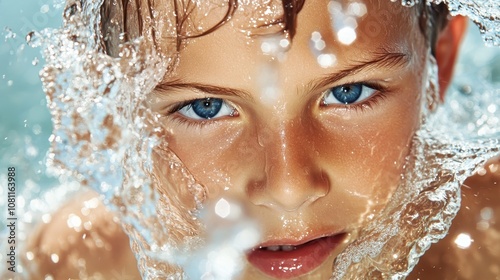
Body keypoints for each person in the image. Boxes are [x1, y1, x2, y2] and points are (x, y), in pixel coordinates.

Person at [22, 0, 500, 279]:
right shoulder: (81, 260)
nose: (288, 187)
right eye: (205, 107)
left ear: (438, 62)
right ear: (117, 110)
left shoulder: (486, 241)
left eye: (348, 93)